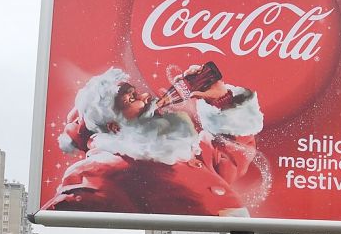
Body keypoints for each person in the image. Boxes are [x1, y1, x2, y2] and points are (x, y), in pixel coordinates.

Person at [41, 65, 266, 217]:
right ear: (114, 126)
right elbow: (65, 206)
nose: (146, 97)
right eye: (131, 99)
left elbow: (233, 152)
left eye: (137, 92)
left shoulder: (183, 153)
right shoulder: (101, 170)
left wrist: (221, 99)